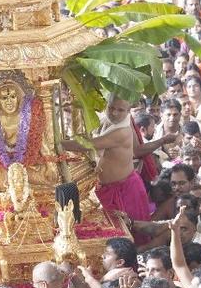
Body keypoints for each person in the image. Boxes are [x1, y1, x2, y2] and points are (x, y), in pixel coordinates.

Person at [63, 94, 153, 223]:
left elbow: (88, 145)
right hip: (109, 188)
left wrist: (57, 144)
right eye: (111, 108)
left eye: (120, 110)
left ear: (128, 111)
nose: (114, 113)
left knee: (130, 236)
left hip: (125, 190)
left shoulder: (122, 131)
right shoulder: (107, 121)